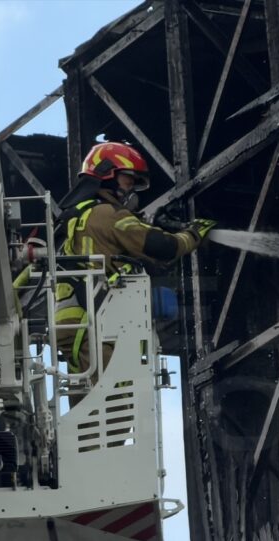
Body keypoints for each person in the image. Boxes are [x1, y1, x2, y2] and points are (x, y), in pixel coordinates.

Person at [53, 141, 215, 381]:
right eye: (128, 182)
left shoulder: (78, 217)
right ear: (107, 175)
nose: (130, 191)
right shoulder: (107, 214)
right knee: (116, 403)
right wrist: (193, 234)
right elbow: (164, 247)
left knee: (93, 405)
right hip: (94, 322)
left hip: (77, 323)